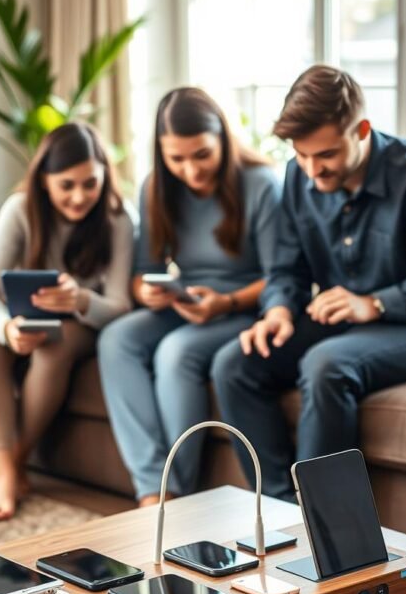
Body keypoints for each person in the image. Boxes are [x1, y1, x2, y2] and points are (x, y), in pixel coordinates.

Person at [212, 65, 406, 502]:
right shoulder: (298, 175)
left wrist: (375, 304)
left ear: (361, 129)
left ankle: (325, 522)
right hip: (341, 318)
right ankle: (276, 509)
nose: (312, 170)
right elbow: (287, 269)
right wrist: (279, 310)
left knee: (326, 365)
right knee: (235, 363)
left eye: (324, 155)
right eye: (302, 155)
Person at [98, 86, 281, 506]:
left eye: (201, 155)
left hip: (244, 306)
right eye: (176, 158)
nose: (190, 170)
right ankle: (149, 487)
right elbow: (143, 271)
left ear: (222, 139)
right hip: (188, 302)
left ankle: (173, 493)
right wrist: (147, 292)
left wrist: (226, 302)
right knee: (116, 339)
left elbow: (283, 277)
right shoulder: (155, 187)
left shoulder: (260, 183)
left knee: (175, 353)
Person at [0, 123, 134, 520]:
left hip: (82, 325)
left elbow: (121, 306)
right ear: (44, 180)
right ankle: (4, 475)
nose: (80, 197)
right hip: (21, 319)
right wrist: (6, 327)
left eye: (90, 183)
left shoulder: (119, 218)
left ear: (104, 177)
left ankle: (18, 459)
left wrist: (81, 300)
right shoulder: (20, 210)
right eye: (67, 185)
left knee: (53, 345)